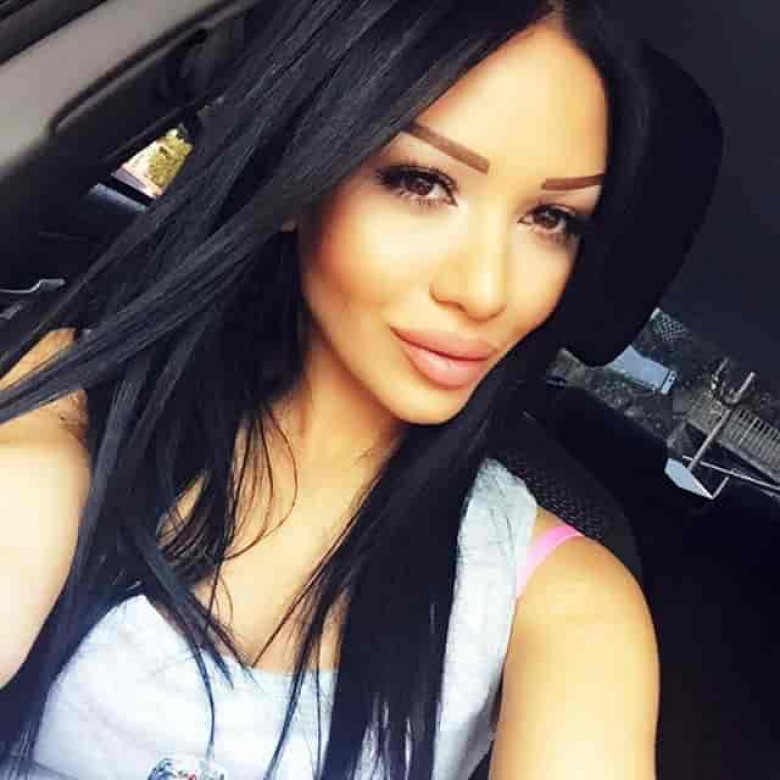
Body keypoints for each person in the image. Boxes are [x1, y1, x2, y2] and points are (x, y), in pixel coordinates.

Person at [0, 0, 660, 777]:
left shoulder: (566, 603)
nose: (485, 290)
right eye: (421, 182)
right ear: (303, 172)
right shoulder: (86, 402)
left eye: (551, 219)